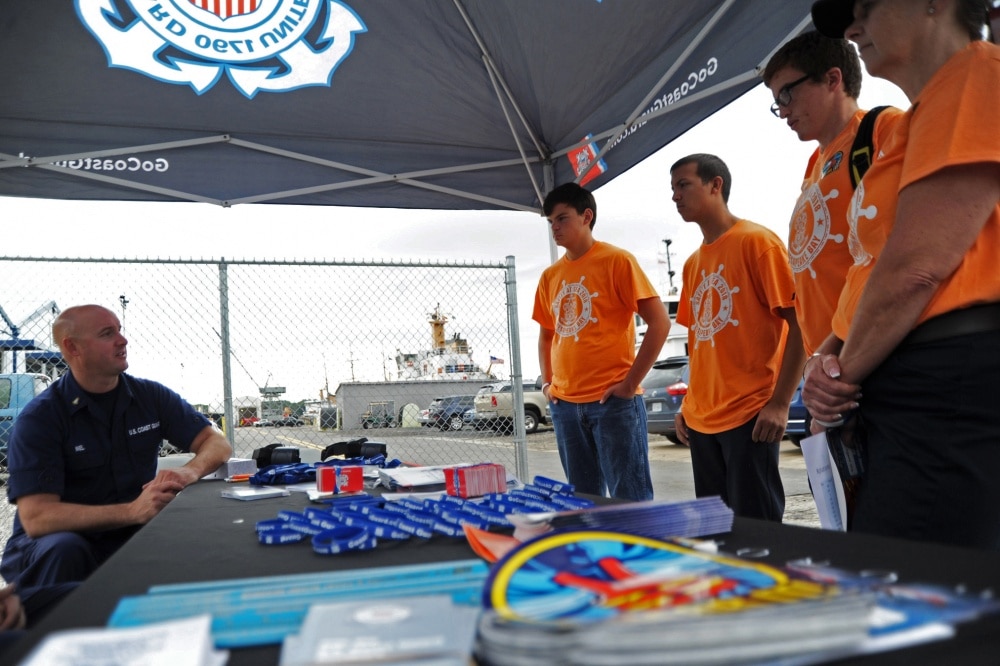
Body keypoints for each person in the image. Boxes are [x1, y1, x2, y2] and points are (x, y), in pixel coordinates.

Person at [804, 0, 1000, 548]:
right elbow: (874, 267)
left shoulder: (975, 76)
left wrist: (836, 378)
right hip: (904, 377)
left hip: (945, 379)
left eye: (865, 6)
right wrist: (828, 356)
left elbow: (918, 265)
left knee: (907, 588)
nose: (851, 27)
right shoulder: (916, 118)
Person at [2, 304, 233, 588]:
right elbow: (38, 518)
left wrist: (189, 472)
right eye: (107, 333)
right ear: (72, 347)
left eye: (119, 331)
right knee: (64, 548)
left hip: (129, 528)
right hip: (60, 541)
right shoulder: (42, 418)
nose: (122, 340)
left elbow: (216, 443)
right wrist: (132, 512)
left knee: (200, 533)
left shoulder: (149, 396)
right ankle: (55, 626)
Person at [671, 154, 805, 522]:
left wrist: (779, 404)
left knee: (757, 534)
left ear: (716, 185)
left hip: (750, 416)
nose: (675, 197)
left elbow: (802, 326)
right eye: (673, 189)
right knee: (716, 534)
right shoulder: (692, 264)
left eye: (684, 185)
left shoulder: (758, 243)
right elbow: (701, 344)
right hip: (701, 420)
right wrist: (689, 402)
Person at [763, 30, 902, 357]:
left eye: (787, 95)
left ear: (832, 79)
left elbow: (904, 254)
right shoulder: (814, 165)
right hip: (831, 367)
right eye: (777, 102)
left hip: (877, 355)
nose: (782, 111)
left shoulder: (884, 128)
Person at [533, 182, 669, 501]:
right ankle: (596, 553)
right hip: (564, 405)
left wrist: (629, 384)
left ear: (586, 216)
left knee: (629, 502)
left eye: (562, 218)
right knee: (583, 502)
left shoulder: (617, 261)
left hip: (613, 404)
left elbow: (660, 323)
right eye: (551, 221)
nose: (555, 227)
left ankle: (629, 551)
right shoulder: (550, 276)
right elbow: (546, 335)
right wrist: (547, 385)